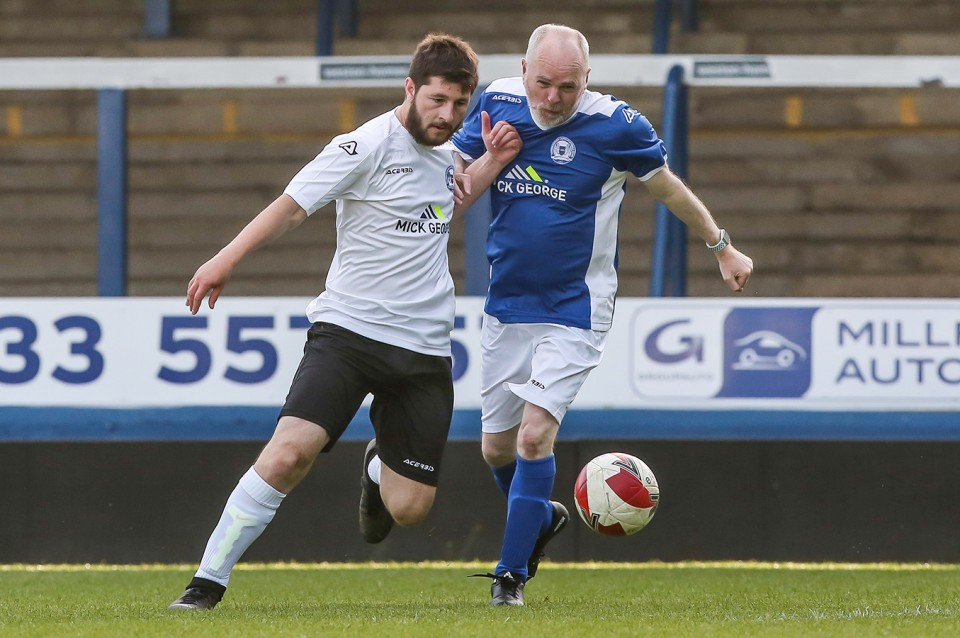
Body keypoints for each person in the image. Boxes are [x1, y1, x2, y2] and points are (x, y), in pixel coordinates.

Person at [168, 33, 522, 610]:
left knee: (410, 510)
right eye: (436, 100)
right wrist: (223, 260)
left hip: (424, 349)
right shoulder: (362, 147)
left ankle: (376, 464)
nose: (448, 115)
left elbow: (446, 200)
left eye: (460, 104)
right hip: (348, 334)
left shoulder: (449, 150)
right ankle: (207, 583)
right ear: (410, 88)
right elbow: (290, 207)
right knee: (289, 454)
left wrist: (493, 161)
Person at [452, 24, 754, 606]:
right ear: (523, 69)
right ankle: (539, 518)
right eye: (542, 83)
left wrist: (722, 246)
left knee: (535, 437)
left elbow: (667, 190)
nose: (552, 98)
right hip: (507, 304)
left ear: (586, 79)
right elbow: (455, 190)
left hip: (576, 307)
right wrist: (490, 158)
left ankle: (509, 578)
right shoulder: (496, 102)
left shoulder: (618, 125)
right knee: (495, 449)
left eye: (567, 86)